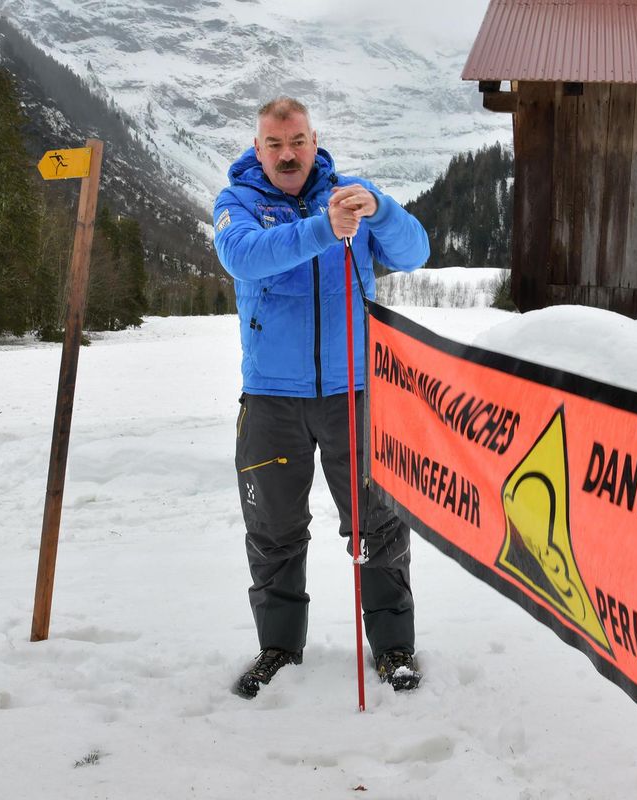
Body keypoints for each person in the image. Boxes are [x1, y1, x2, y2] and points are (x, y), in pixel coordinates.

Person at [212, 97, 429, 698]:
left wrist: (380, 209)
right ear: (258, 149)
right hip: (271, 399)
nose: (287, 154)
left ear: (314, 142)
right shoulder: (238, 204)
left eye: (298, 141)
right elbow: (244, 258)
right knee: (273, 528)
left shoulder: (351, 196)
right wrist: (321, 229)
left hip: (353, 392)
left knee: (379, 523)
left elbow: (415, 252)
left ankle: (394, 652)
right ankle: (278, 649)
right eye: (275, 144)